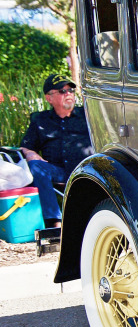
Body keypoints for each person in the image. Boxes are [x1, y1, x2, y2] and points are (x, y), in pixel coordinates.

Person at [19, 74, 93, 227]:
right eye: (62, 91)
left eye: (71, 90)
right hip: (58, 172)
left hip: (86, 171)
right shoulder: (40, 120)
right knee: (36, 166)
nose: (68, 94)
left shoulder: (87, 115)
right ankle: (54, 221)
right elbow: (25, 145)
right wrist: (30, 153)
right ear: (49, 98)